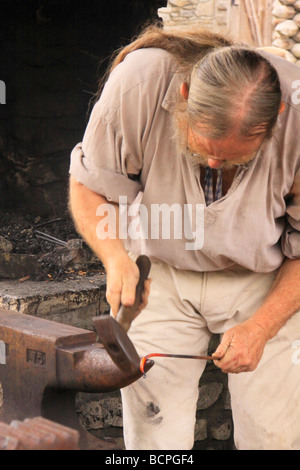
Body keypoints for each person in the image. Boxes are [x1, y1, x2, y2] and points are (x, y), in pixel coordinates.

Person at [68, 23, 300, 450]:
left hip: (261, 279)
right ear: (186, 95)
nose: (213, 162)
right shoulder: (139, 81)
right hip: (161, 273)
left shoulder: (298, 112)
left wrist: (262, 328)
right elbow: (90, 185)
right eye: (204, 146)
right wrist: (116, 258)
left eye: (233, 157)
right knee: (153, 439)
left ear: (277, 118)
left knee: (274, 436)